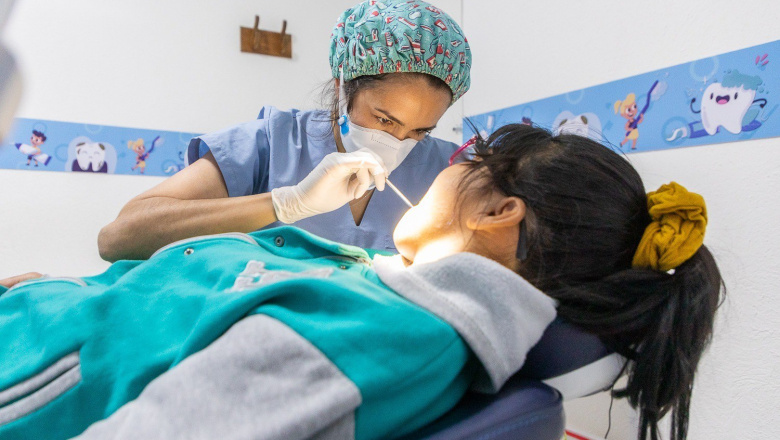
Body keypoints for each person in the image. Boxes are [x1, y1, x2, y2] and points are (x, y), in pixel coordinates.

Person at [0, 124, 723, 440]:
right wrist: (70, 298)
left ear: (500, 211)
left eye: (450, 153)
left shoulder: (384, 337)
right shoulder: (386, 293)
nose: (411, 151)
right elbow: (151, 278)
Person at [95, 0, 472, 263]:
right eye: (385, 120)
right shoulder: (272, 143)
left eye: (420, 130)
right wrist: (287, 203)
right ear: (343, 87)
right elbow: (116, 240)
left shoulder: (450, 169)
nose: (397, 143)